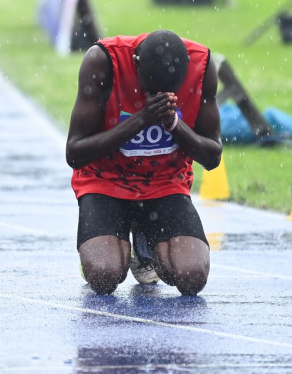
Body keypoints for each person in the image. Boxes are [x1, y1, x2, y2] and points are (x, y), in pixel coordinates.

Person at [65, 30, 223, 296]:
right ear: (135, 64)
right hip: (105, 181)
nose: (157, 95)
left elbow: (212, 157)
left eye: (170, 90)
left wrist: (174, 124)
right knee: (104, 276)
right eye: (149, 89)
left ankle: (145, 244)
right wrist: (141, 119)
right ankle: (103, 250)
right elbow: (75, 153)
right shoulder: (102, 61)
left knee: (192, 277)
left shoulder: (203, 66)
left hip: (165, 183)